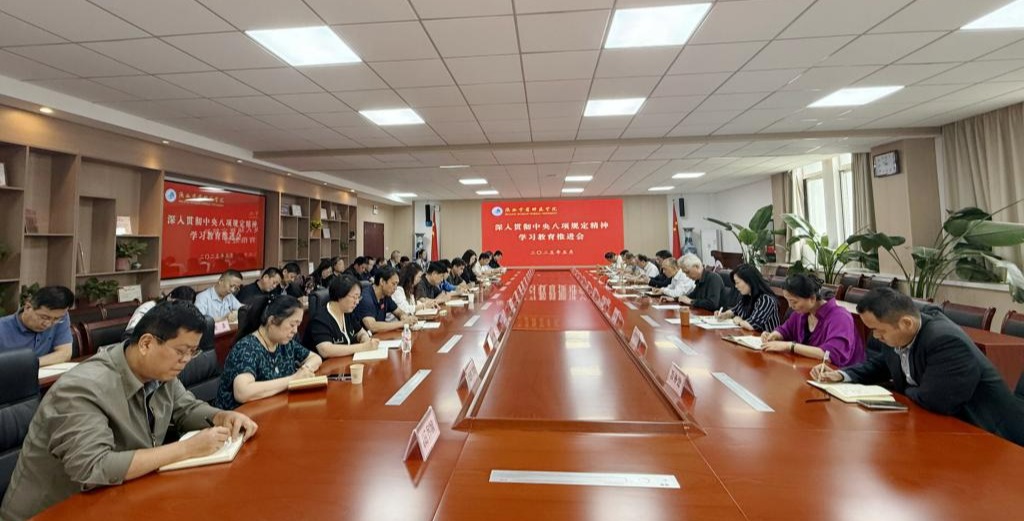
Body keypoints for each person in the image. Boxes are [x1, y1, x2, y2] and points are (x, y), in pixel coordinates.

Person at [0, 301, 258, 521]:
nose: (186, 360)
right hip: (54, 511)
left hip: (116, 497)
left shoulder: (160, 373)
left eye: (193, 352)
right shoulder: (83, 387)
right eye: (181, 351)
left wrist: (220, 416)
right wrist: (186, 449)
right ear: (146, 343)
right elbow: (93, 467)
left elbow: (186, 407)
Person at [812, 288, 1024, 446]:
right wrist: (843, 375)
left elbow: (935, 401)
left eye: (879, 331)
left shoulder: (945, 342)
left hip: (991, 436)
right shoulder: (899, 334)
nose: (876, 337)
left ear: (906, 323)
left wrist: (900, 390)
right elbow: (884, 363)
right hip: (944, 428)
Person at [215, 295, 322, 410]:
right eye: (292, 325)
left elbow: (315, 358)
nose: (295, 331)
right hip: (241, 415)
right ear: (272, 321)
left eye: (298, 325)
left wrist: (304, 371)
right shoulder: (247, 348)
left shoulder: (285, 343)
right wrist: (293, 379)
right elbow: (242, 392)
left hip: (274, 407)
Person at [760, 274, 863, 367]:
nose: (790, 306)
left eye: (794, 302)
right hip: (809, 367)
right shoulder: (801, 313)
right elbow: (785, 330)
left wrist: (791, 346)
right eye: (788, 301)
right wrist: (775, 335)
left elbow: (830, 355)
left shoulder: (840, 317)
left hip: (837, 374)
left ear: (812, 298)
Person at [303, 275, 378, 358]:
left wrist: (365, 339)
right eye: (354, 297)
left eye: (358, 297)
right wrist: (363, 347)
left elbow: (361, 332)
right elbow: (325, 350)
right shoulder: (319, 319)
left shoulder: (347, 312)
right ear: (340, 295)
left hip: (346, 360)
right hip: (326, 364)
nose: (357, 302)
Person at [0, 285, 75, 367]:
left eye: (56, 319)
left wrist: (30, 364)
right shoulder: (2, 328)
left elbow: (65, 353)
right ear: (28, 307)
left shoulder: (60, 317)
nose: (48, 324)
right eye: (44, 317)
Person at [715, 264, 779, 332]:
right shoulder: (747, 296)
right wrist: (724, 315)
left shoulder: (766, 300)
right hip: (748, 336)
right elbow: (734, 311)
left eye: (737, 283)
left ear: (749, 281)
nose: (736, 286)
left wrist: (740, 321)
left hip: (764, 337)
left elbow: (751, 325)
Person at [353, 266, 418, 334]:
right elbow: (372, 326)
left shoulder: (385, 295)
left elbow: (398, 311)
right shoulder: (366, 298)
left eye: (397, 284)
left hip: (380, 336)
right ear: (382, 282)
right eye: (393, 284)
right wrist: (402, 323)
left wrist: (404, 317)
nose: (395, 288)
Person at [126, 286, 197, 332]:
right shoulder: (148, 307)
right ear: (170, 298)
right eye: (178, 305)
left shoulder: (184, 315)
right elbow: (130, 332)